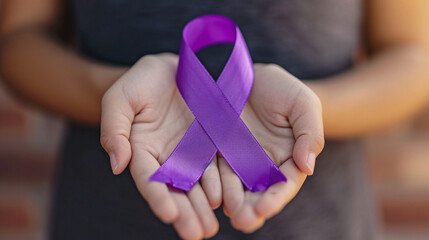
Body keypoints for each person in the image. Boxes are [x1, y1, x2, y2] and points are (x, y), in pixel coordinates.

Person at [1, 0, 429, 239]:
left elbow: (413, 55)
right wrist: (117, 93)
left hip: (321, 225)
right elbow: (18, 41)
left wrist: (307, 111)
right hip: (104, 222)